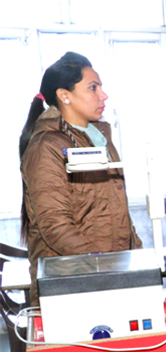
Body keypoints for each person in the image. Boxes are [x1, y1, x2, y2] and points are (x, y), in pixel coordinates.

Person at [19, 51, 142, 306]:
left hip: (110, 274)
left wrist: (137, 260)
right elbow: (56, 227)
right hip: (71, 282)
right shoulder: (47, 147)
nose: (103, 95)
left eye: (101, 87)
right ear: (64, 95)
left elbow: (116, 211)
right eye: (93, 87)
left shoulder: (99, 138)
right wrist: (105, 268)